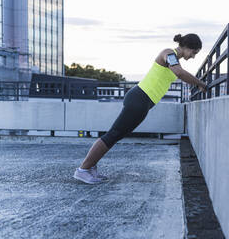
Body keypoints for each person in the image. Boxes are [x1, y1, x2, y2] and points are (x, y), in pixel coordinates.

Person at [73, 33, 208, 184]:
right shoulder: (168, 53)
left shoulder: (174, 59)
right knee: (113, 134)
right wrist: (200, 83)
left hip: (144, 102)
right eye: (194, 52)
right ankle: (83, 170)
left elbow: (178, 71)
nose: (193, 56)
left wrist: (197, 83)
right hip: (139, 98)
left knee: (116, 135)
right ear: (187, 47)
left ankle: (90, 167)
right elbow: (179, 72)